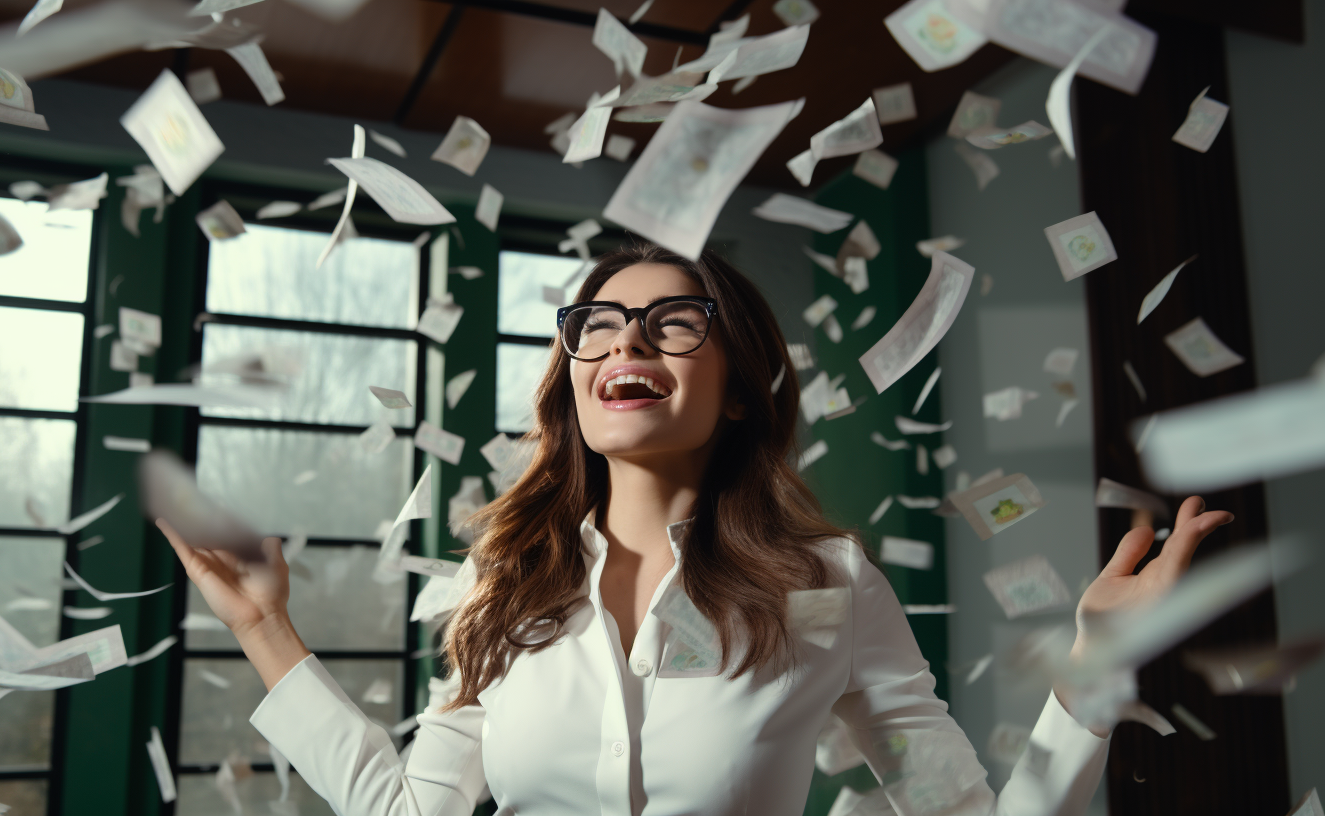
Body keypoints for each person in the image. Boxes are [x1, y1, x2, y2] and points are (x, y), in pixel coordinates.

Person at [159, 240, 1234, 816]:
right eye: (599, 322)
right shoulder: (507, 580)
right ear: (575, 375)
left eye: (675, 321)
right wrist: (264, 630)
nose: (630, 337)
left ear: (732, 391)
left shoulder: (828, 587)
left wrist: (1093, 671)